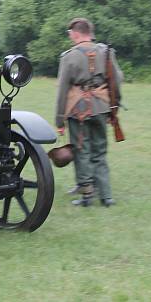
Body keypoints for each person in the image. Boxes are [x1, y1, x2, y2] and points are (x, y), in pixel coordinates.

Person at [55, 17, 123, 207]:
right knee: (100, 151)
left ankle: (86, 196)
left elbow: (62, 90)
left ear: (76, 33)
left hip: (78, 109)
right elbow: (117, 80)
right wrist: (114, 109)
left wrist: (59, 121)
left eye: (70, 33)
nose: (70, 37)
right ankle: (106, 196)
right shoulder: (106, 52)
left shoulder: (69, 56)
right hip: (102, 106)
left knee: (81, 151)